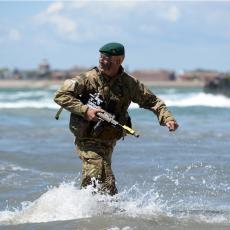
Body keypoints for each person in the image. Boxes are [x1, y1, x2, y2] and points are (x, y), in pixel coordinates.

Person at [54, 42, 178, 196]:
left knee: (106, 182)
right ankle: (83, 209)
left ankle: (102, 213)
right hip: (87, 136)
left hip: (108, 138)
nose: (102, 61)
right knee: (96, 172)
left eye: (107, 58)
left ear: (119, 60)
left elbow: (153, 101)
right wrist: (85, 110)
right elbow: (60, 95)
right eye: (101, 57)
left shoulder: (129, 83)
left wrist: (167, 118)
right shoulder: (87, 79)